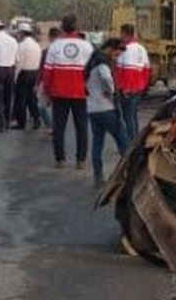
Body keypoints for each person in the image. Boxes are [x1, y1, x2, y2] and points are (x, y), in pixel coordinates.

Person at [41, 14, 94, 168]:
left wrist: (47, 91)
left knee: (59, 127)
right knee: (82, 127)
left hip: (58, 93)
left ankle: (60, 159)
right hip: (80, 93)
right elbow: (93, 71)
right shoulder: (87, 46)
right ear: (77, 27)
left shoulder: (55, 46)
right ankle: (81, 160)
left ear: (62, 27)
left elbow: (47, 72)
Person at [86, 38, 130, 183]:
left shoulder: (92, 62)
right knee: (122, 140)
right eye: (116, 54)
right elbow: (106, 77)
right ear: (110, 49)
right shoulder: (102, 62)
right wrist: (112, 92)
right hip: (107, 109)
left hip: (93, 109)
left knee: (97, 142)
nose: (117, 57)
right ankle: (128, 171)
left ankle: (98, 174)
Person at [114, 23, 151, 143]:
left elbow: (123, 71)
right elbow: (147, 69)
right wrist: (143, 86)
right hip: (138, 89)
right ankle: (136, 139)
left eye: (121, 34)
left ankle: (131, 143)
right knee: (134, 116)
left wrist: (124, 88)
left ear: (124, 34)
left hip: (128, 90)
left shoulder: (125, 50)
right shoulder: (141, 49)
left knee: (128, 117)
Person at [12, 22, 43, 129]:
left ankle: (21, 123)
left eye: (18, 33)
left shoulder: (21, 45)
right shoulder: (36, 45)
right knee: (32, 98)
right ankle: (36, 118)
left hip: (24, 73)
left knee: (21, 99)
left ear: (22, 33)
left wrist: (15, 77)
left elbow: (19, 63)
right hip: (35, 73)